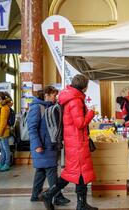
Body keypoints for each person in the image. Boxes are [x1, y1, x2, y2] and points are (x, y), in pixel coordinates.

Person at [42, 75, 98, 210]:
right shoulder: (75, 101)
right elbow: (80, 123)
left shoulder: (71, 98)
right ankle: (50, 194)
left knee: (75, 173)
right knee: (78, 173)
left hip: (74, 141)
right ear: (84, 87)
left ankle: (79, 203)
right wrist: (91, 113)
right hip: (77, 142)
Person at [27, 86, 70, 205]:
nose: (55, 97)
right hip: (42, 146)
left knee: (41, 170)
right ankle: (57, 196)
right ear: (46, 95)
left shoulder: (50, 107)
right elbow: (32, 128)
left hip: (48, 145)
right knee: (51, 170)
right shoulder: (37, 107)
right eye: (53, 95)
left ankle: (35, 195)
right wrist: (37, 145)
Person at [0, 92, 13, 172]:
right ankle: (1, 163)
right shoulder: (0, 107)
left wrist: (0, 132)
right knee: (2, 148)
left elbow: (3, 122)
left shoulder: (5, 108)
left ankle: (7, 164)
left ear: (2, 99)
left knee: (6, 148)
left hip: (4, 131)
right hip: (0, 131)